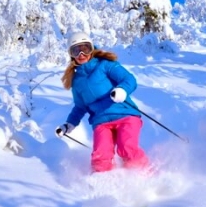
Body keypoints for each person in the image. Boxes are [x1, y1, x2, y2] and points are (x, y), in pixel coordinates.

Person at [56, 31, 151, 173]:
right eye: (76, 50)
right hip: (101, 122)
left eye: (85, 49)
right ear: (71, 54)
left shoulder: (105, 65)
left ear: (91, 48)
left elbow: (129, 79)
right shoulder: (77, 81)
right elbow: (80, 106)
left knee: (126, 147)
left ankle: (145, 175)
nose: (81, 54)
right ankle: (103, 183)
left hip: (125, 114)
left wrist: (122, 91)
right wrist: (69, 124)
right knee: (101, 156)